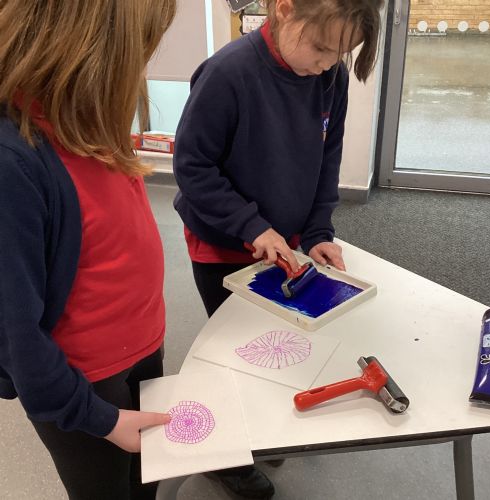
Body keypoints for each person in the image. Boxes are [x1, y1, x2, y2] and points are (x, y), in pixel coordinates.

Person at [173, 0, 383, 497]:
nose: (327, 64)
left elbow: (326, 160)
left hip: (285, 246)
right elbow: (193, 168)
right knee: (234, 355)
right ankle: (223, 458)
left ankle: (257, 428)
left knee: (276, 349)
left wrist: (318, 232)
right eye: (321, 48)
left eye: (338, 54)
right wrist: (251, 226)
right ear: (285, 9)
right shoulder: (227, 73)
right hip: (223, 245)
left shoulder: (328, 77)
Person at [0, 1, 176, 498]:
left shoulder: (85, 115)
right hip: (83, 386)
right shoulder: (14, 161)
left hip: (141, 346)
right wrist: (97, 417)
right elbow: (15, 337)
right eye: (137, 53)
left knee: (146, 479)